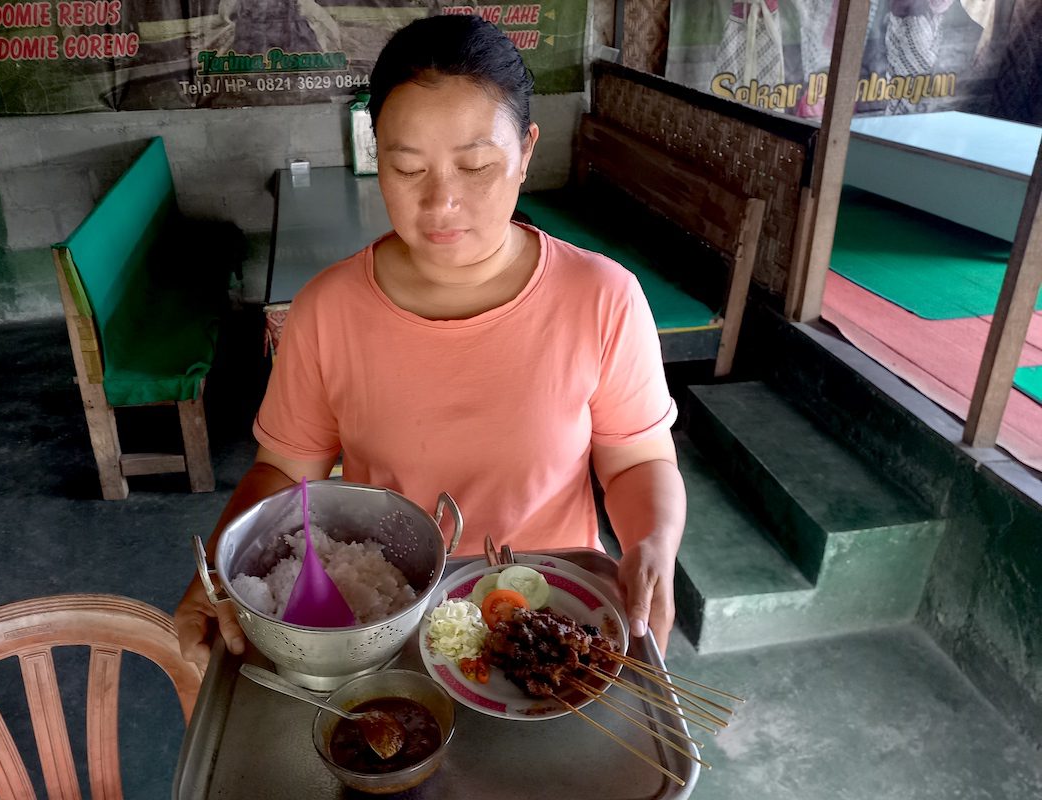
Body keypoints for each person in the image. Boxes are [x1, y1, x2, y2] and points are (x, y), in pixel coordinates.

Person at [174, 14, 687, 668]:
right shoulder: (327, 310)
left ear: (526, 151)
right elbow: (283, 472)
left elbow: (639, 462)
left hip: (551, 616)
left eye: (475, 165)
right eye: (408, 168)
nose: (442, 202)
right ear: (375, 153)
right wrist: (210, 581)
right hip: (384, 624)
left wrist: (652, 543)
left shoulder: (601, 298)